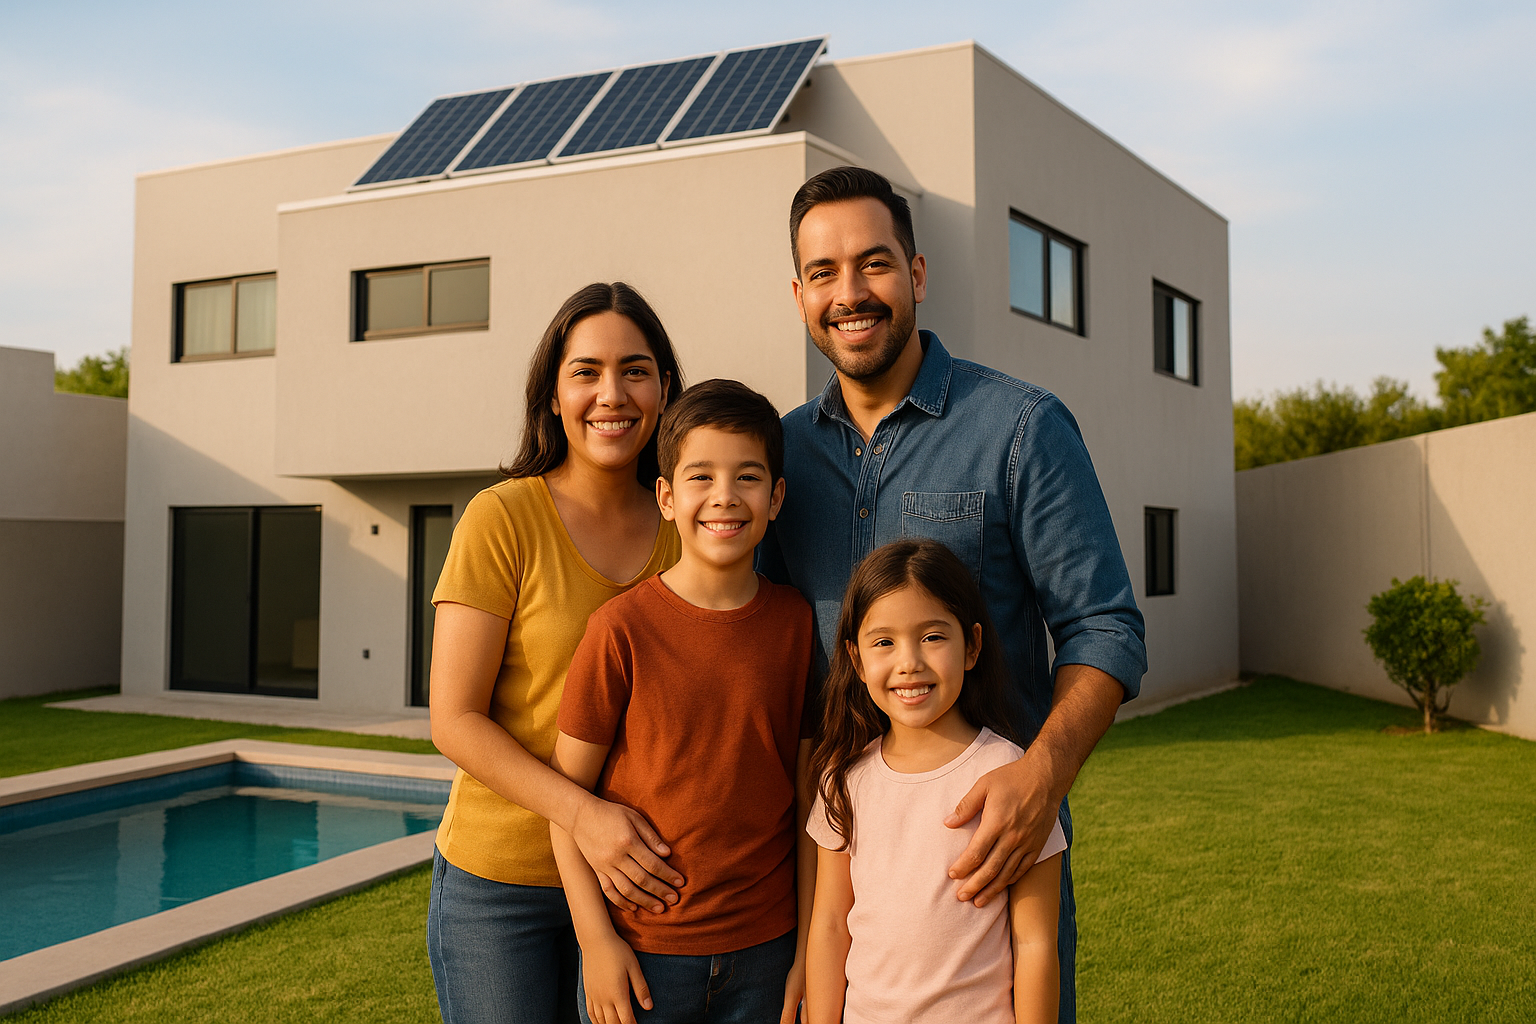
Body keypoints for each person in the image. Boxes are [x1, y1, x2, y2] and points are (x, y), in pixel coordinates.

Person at [759, 166, 1147, 1022]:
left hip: (987, 869)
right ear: (798, 294)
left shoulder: (1020, 427)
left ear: (918, 274)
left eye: (875, 264)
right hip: (845, 868)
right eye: (823, 273)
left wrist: (1043, 775)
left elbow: (1105, 627)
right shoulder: (779, 458)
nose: (850, 293)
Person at [427, 282, 691, 1024]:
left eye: (636, 370)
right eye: (587, 372)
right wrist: (587, 818)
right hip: (498, 889)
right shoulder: (501, 517)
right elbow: (454, 719)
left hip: (641, 886)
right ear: (551, 393)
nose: (613, 394)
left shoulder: (691, 527)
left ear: (665, 388)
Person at [548, 379, 818, 1024]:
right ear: (667, 496)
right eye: (700, 476)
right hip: (644, 958)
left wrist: (809, 947)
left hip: (767, 951)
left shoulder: (797, 626)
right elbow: (566, 805)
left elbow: (811, 801)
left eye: (748, 476)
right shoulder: (621, 631)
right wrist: (596, 942)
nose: (724, 496)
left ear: (776, 496)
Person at [804, 537, 1067, 1024]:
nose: (910, 662)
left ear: (972, 646)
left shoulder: (1010, 776)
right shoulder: (842, 780)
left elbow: (1034, 942)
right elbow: (829, 928)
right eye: (884, 642)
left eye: (932, 637)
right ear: (856, 660)